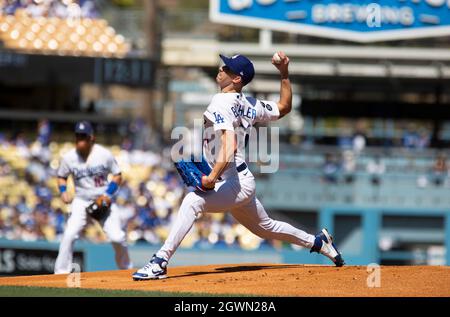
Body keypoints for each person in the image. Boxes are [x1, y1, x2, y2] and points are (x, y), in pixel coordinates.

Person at [132, 52, 344, 280]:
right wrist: (284, 74)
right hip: (238, 179)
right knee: (266, 228)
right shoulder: (250, 104)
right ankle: (319, 242)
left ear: (237, 79)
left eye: (228, 68)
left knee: (193, 202)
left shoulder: (220, 102)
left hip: (234, 181)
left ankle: (160, 262)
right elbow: (284, 107)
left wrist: (212, 176)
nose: (222, 69)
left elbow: (230, 144)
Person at [54, 121, 132, 274]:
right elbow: (61, 176)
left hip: (103, 199)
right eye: (78, 136)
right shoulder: (69, 158)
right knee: (69, 235)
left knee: (117, 237)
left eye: (83, 136)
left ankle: (126, 269)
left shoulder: (104, 154)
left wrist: (108, 195)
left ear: (92, 138)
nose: (80, 140)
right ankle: (60, 273)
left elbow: (117, 175)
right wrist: (63, 191)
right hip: (81, 201)